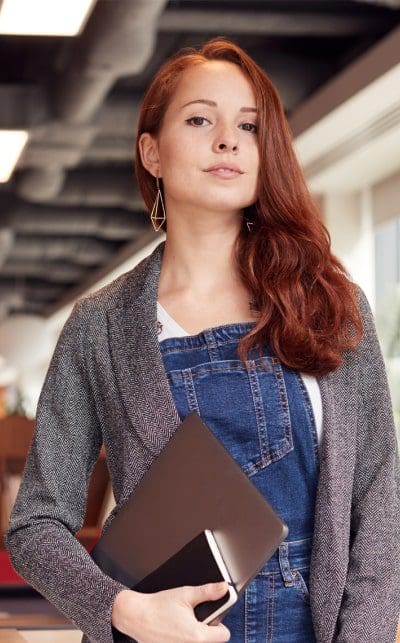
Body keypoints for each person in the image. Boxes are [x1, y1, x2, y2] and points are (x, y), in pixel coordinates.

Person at [5, 37, 400, 643]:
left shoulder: (329, 305)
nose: (228, 139)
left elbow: (379, 493)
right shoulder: (100, 327)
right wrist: (124, 612)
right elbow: (35, 524)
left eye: (249, 124)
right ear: (151, 151)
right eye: (199, 119)